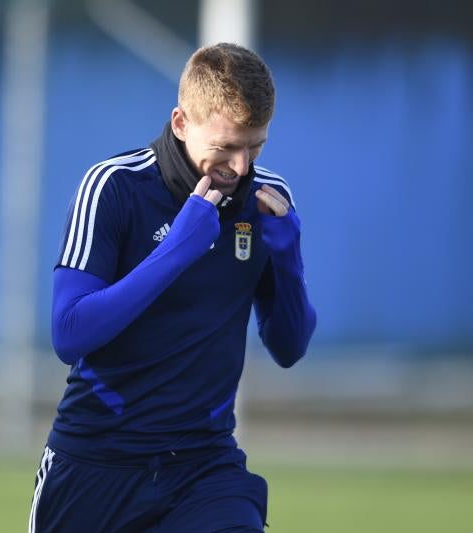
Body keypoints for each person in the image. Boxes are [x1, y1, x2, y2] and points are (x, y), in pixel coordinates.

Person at [29, 43, 317, 532]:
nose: (241, 166)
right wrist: (179, 249)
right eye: (225, 147)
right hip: (96, 463)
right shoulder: (113, 187)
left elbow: (289, 347)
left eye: (255, 146)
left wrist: (288, 260)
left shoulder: (268, 198)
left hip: (204, 467)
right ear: (181, 123)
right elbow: (69, 332)